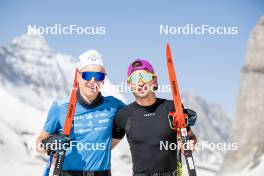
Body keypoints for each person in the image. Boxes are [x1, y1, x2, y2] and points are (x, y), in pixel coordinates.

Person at [36, 50, 125, 176]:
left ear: (103, 80)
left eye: (99, 76)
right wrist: (49, 144)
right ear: (78, 76)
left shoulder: (114, 105)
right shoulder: (61, 107)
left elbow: (137, 114)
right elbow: (39, 143)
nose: (93, 81)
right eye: (87, 75)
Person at [112, 59, 197, 176]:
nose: (141, 83)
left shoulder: (172, 107)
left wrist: (190, 143)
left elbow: (190, 136)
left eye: (145, 77)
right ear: (130, 85)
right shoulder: (123, 115)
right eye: (135, 78)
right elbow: (106, 149)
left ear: (154, 81)